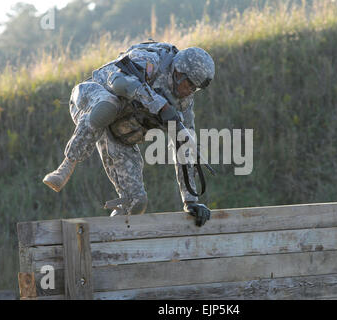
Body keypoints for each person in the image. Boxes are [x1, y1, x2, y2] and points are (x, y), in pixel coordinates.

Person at [42, 41, 215, 227]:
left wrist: (191, 201)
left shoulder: (184, 103)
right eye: (190, 85)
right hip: (91, 98)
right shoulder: (150, 61)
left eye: (195, 89)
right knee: (108, 105)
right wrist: (160, 105)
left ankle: (109, 240)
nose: (190, 92)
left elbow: (184, 148)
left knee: (136, 201)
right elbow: (119, 83)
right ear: (179, 73)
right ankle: (67, 166)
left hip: (118, 131)